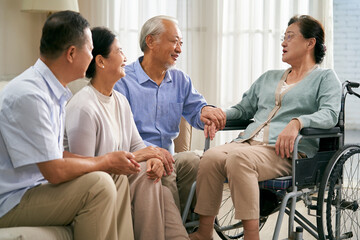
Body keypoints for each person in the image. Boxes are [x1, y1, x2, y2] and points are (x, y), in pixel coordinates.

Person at [190, 15, 342, 240]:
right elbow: (243, 110)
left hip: (285, 151)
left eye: (290, 37)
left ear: (310, 43)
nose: (283, 42)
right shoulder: (268, 78)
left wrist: (297, 122)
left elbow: (329, 114)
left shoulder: (325, 78)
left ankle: (252, 237)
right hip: (248, 144)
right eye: (283, 37)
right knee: (211, 157)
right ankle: (204, 233)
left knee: (239, 159)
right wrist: (218, 113)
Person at [0, 11, 139, 240]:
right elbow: (54, 171)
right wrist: (104, 161)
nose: (93, 56)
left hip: (33, 187)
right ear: (72, 53)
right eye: (90, 49)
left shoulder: (52, 91)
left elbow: (54, 155)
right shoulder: (31, 95)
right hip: (11, 200)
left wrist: (110, 163)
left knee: (115, 177)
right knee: (100, 184)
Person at [64, 26, 189, 240]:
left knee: (154, 177)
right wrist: (143, 157)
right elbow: (83, 169)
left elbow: (137, 144)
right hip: (96, 184)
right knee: (147, 179)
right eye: (119, 51)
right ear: (101, 61)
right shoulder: (84, 107)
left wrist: (153, 158)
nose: (125, 57)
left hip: (119, 176)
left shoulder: (119, 100)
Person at [114, 15, 226, 214]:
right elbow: (119, 134)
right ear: (150, 41)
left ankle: (192, 226)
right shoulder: (124, 81)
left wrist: (205, 110)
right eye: (174, 41)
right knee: (163, 170)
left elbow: (196, 109)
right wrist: (149, 154)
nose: (179, 49)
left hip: (170, 155)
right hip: (138, 157)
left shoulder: (180, 79)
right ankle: (174, 230)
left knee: (195, 161)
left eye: (181, 43)